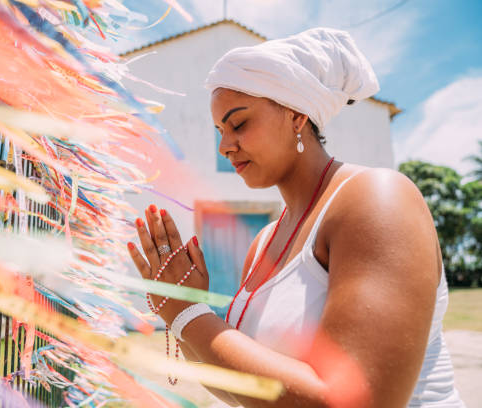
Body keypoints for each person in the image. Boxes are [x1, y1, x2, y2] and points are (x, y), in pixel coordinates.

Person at [127, 27, 464, 407]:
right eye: (219, 131)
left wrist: (188, 314)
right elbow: (239, 384)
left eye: (238, 124)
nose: (224, 146)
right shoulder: (263, 243)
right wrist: (185, 309)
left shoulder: (377, 198)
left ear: (297, 116)